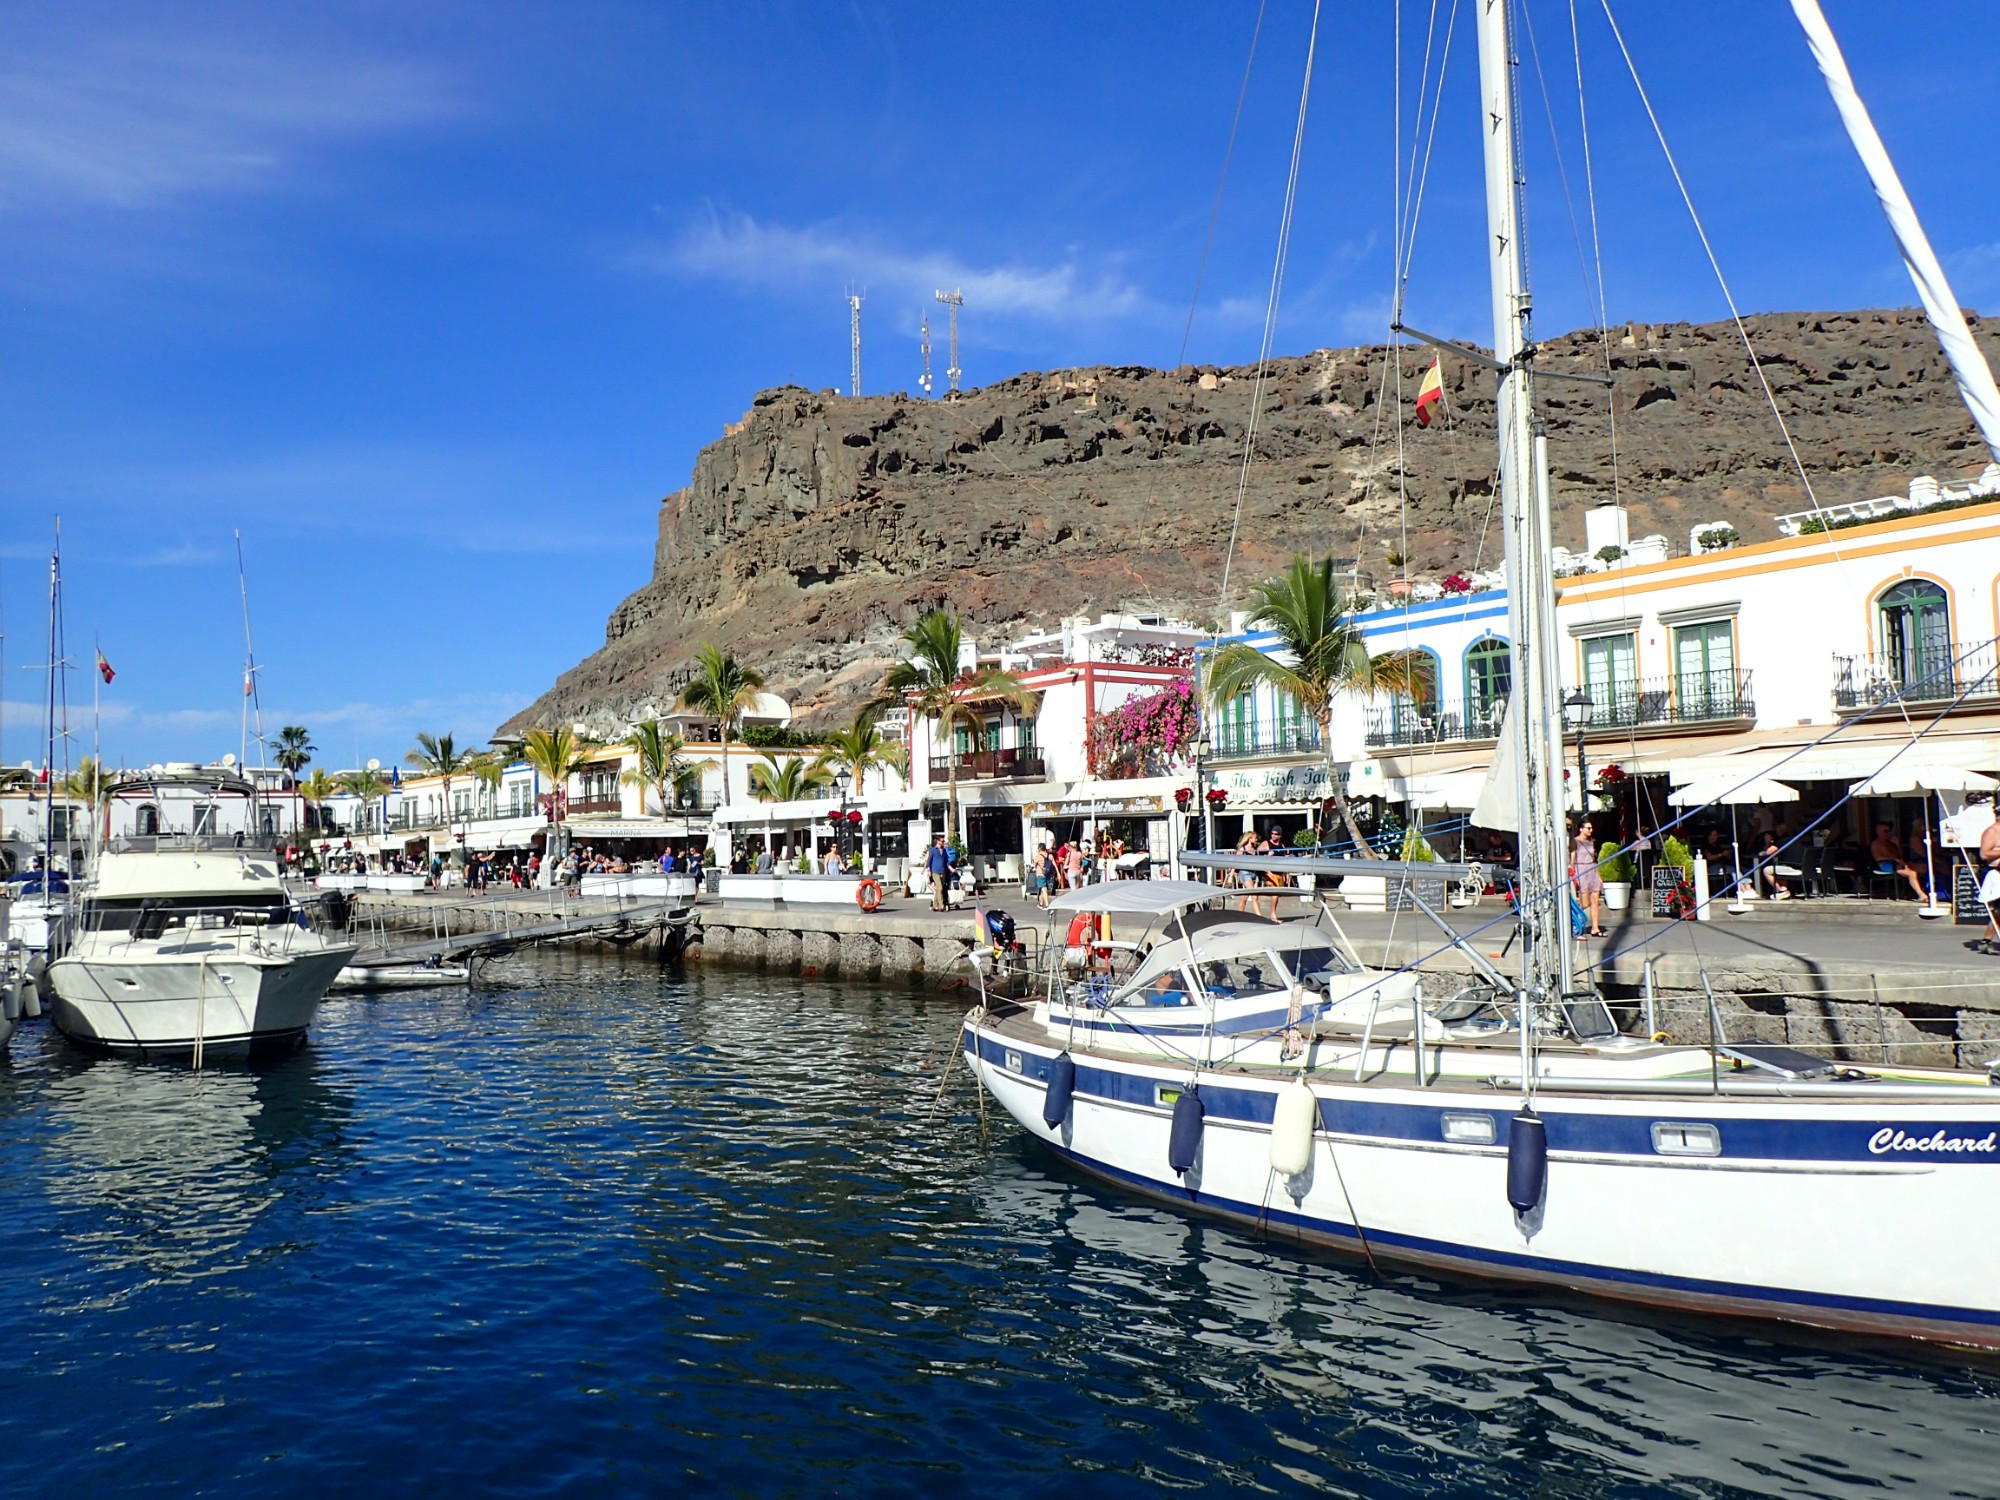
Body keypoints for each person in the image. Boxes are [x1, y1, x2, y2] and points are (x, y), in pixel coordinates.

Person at [1870, 821, 1928, 901]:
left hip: (1898, 864)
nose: (1888, 833)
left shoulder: (1889, 843)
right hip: (1885, 865)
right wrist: (1894, 859)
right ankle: (1921, 894)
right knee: (1911, 873)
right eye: (1885, 831)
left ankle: (1930, 890)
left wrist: (1897, 845)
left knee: (1925, 867)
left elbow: (1901, 856)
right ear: (1878, 832)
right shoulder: (1876, 844)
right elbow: (1878, 858)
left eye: (1889, 831)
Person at [1572, 816, 1605, 937]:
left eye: (1591, 828)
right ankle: (1574, 924)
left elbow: (1594, 859)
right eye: (1588, 828)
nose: (1591, 830)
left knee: (1595, 900)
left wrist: (1599, 875)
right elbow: (1572, 859)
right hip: (1581, 870)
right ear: (1581, 829)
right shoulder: (1575, 842)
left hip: (1592, 869)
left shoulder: (1591, 842)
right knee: (1584, 903)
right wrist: (1573, 874)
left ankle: (1595, 928)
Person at [1977, 813, 2000, 954]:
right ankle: (1987, 940)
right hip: (1996, 873)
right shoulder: (1992, 831)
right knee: (1998, 910)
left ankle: (1987, 940)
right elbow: (1984, 854)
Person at [926, 833, 952, 911]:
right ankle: (941, 905)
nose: (943, 842)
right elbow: (929, 861)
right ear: (938, 841)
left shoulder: (944, 850)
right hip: (935, 872)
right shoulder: (933, 850)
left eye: (944, 841)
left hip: (942, 872)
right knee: (940, 888)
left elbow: (946, 861)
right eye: (942, 841)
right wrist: (929, 870)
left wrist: (950, 868)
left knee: (939, 889)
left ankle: (935, 905)